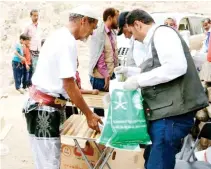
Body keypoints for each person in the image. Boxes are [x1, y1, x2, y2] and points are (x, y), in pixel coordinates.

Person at [114, 9, 208, 169]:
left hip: (172, 116)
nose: (133, 38)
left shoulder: (162, 34)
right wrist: (131, 72)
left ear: (137, 24)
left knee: (158, 165)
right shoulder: (155, 40)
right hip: (164, 115)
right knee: (151, 159)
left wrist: (139, 80)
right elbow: (159, 70)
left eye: (131, 32)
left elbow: (176, 67)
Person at [23, 5, 102, 169]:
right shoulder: (67, 42)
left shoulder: (59, 36)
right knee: (49, 164)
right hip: (44, 110)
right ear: (84, 21)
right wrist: (89, 114)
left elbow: (62, 81)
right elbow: (68, 84)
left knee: (45, 162)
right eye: (92, 27)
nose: (92, 33)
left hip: (42, 107)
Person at [89, 8, 119, 116]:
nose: (118, 20)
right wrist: (106, 75)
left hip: (110, 75)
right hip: (100, 77)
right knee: (99, 109)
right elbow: (99, 57)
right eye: (117, 17)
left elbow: (113, 54)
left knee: (111, 105)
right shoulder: (98, 33)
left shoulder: (112, 32)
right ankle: (99, 131)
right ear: (110, 18)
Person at [23, 9, 42, 73]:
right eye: (34, 16)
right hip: (31, 50)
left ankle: (35, 82)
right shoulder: (28, 26)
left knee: (38, 67)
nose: (36, 17)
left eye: (37, 15)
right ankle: (31, 82)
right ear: (31, 16)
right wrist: (26, 46)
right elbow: (23, 37)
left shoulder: (40, 25)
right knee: (32, 68)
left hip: (39, 49)